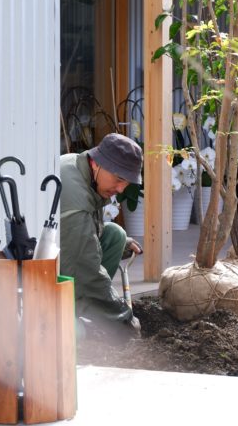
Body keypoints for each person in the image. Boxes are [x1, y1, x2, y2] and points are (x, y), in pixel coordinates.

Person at [59, 133, 144, 337]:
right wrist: (122, 317)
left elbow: (83, 231)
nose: (121, 188)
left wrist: (123, 243)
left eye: (127, 182)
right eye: (118, 179)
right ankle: (78, 314)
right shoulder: (73, 193)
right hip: (37, 278)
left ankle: (86, 309)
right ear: (97, 163)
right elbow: (85, 267)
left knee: (115, 235)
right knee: (76, 333)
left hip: (61, 252)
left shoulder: (81, 166)